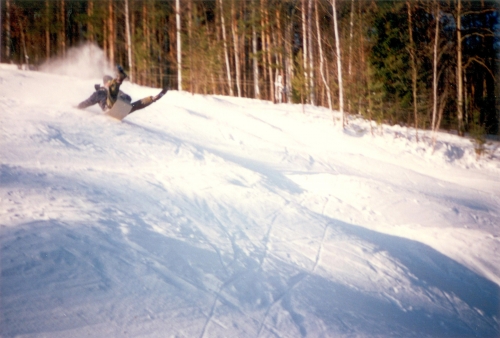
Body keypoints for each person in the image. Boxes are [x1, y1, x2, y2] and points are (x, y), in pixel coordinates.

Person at [77, 65, 167, 114]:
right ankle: (120, 78)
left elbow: (127, 97)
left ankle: (153, 99)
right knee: (133, 106)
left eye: (111, 81)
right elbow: (88, 102)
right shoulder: (100, 92)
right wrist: (78, 107)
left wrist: (124, 99)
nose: (109, 83)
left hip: (115, 106)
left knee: (133, 105)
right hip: (111, 105)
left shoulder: (112, 90)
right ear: (105, 83)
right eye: (109, 81)